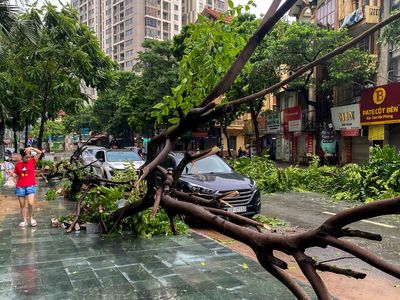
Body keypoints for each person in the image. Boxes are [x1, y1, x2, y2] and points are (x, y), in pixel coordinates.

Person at [7, 147, 43, 227]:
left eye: (29, 156)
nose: (28, 158)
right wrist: (11, 174)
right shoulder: (18, 164)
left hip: (30, 185)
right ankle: (24, 221)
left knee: (30, 203)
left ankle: (31, 219)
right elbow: (16, 175)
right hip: (20, 187)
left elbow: (40, 152)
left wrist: (31, 148)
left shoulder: (32, 161)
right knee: (22, 204)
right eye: (26, 157)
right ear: (22, 157)